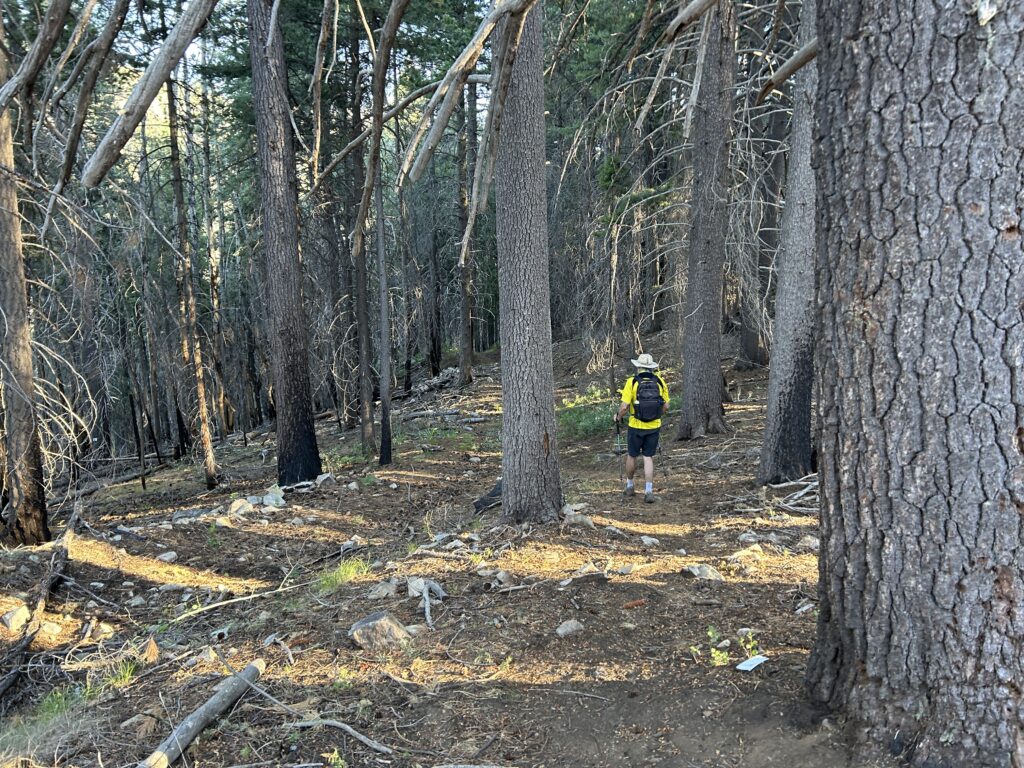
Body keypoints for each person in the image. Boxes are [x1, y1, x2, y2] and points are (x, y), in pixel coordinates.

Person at [615, 353, 669, 503]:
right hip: (654, 426)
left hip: (635, 426)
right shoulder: (660, 382)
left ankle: (630, 486)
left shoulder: (632, 382)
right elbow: (666, 406)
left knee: (632, 455)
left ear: (638, 367)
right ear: (651, 367)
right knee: (648, 457)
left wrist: (618, 417)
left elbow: (625, 406)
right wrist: (656, 415)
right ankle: (649, 491)